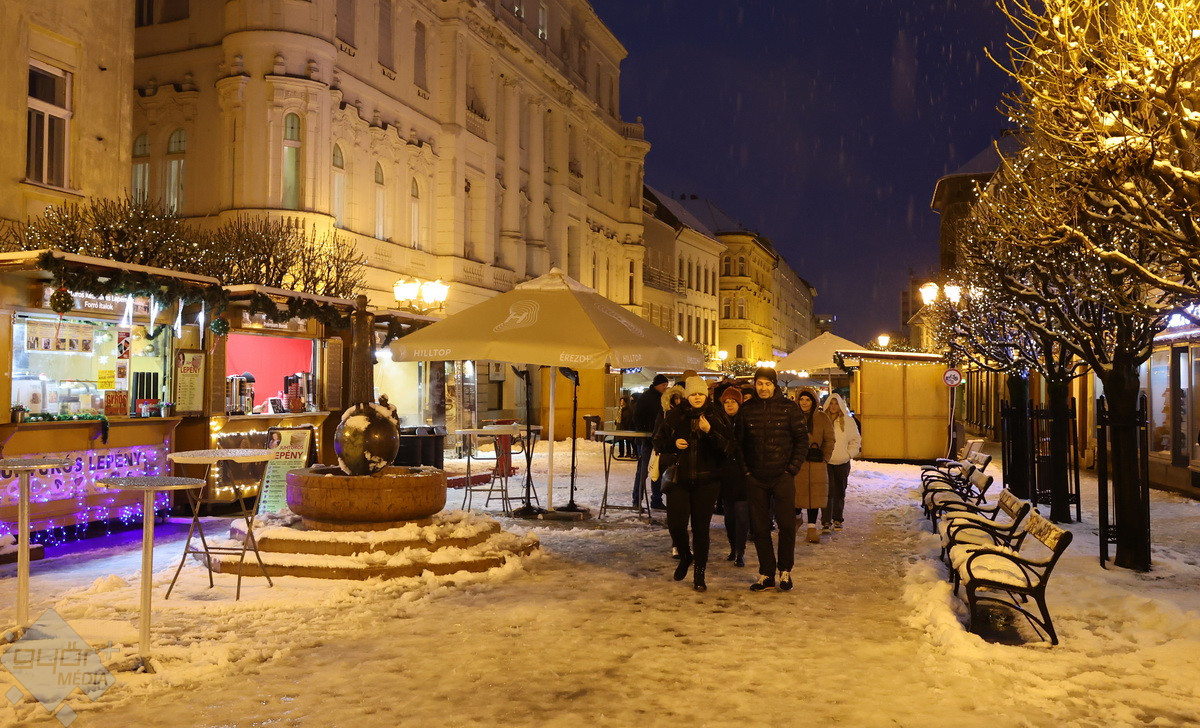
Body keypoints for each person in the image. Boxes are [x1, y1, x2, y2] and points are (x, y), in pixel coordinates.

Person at [653, 376, 732, 591]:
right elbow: (657, 441)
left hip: (707, 480)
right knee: (676, 526)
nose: (697, 398)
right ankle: (686, 556)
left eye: (700, 394)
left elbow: (728, 448)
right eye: (693, 394)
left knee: (701, 529)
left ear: (706, 395)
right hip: (680, 479)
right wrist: (673, 443)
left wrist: (710, 432)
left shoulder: (716, 415)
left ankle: (700, 574)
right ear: (687, 396)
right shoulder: (676, 415)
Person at [740, 367, 808, 592]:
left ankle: (785, 571)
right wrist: (746, 471)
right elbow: (739, 444)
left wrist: (791, 469)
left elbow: (802, 441)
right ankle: (766, 573)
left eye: (767, 384)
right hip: (755, 477)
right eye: (759, 383)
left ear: (774, 385)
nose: (763, 388)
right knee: (760, 528)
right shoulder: (747, 409)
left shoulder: (789, 408)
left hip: (782, 476)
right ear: (755, 384)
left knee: (786, 525)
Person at [793, 388, 833, 544]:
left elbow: (829, 440)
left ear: (814, 402)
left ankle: (811, 528)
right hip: (798, 462)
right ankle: (797, 518)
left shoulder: (822, 418)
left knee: (814, 496)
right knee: (796, 494)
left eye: (808, 400)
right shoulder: (793, 417)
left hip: (816, 463)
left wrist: (825, 458)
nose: (804, 402)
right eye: (802, 399)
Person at [716, 383, 749, 567]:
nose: (729, 404)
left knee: (742, 515)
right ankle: (733, 547)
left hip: (743, 474)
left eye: (733, 401)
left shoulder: (745, 422)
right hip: (726, 476)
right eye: (726, 401)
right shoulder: (719, 422)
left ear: (739, 403)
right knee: (729, 516)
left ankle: (740, 551)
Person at [823, 392, 862, 532]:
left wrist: (849, 454)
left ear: (840, 405)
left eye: (836, 404)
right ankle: (826, 520)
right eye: (831, 403)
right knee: (827, 491)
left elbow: (855, 440)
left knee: (840, 491)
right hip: (826, 462)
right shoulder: (823, 420)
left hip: (843, 462)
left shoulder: (848, 421)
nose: (833, 406)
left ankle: (838, 518)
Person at [632, 374, 670, 508]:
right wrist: (647, 431)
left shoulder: (662, 398)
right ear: (656, 385)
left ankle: (656, 499)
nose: (665, 387)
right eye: (663, 385)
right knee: (643, 471)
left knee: (657, 471)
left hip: (656, 441)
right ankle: (637, 500)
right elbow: (637, 417)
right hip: (646, 441)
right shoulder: (647, 397)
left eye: (666, 385)